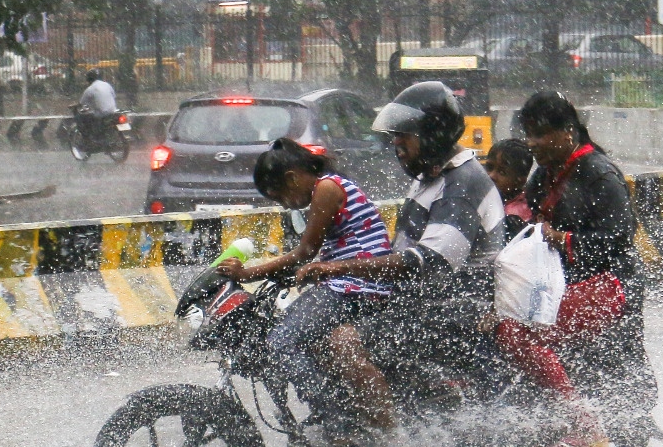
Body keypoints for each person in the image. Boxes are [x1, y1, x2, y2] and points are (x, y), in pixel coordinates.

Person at [323, 81, 505, 432]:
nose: (396, 143)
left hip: (453, 312)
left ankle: (388, 435)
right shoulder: (432, 176)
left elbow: (426, 261)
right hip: (420, 306)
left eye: (405, 135)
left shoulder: (460, 185)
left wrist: (339, 267)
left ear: (433, 134)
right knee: (326, 328)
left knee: (343, 341)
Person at [496, 91, 660, 447]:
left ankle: (583, 422)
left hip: (613, 284)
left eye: (540, 134)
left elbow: (619, 237)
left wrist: (563, 239)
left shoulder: (599, 173)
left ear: (568, 131)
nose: (532, 143)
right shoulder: (542, 177)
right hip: (566, 287)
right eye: (528, 134)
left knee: (517, 332)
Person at [214, 137, 393, 428]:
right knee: (304, 341)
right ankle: (343, 409)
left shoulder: (326, 188)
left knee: (280, 342)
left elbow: (305, 252)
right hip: (348, 283)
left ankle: (336, 421)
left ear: (292, 178)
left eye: (280, 196)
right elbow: (311, 255)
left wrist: (247, 274)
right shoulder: (330, 187)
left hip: (355, 287)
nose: (284, 205)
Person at [485, 138, 534, 240]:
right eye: (489, 167)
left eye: (502, 172)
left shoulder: (519, 216)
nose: (491, 176)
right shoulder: (492, 198)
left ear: (520, 180)